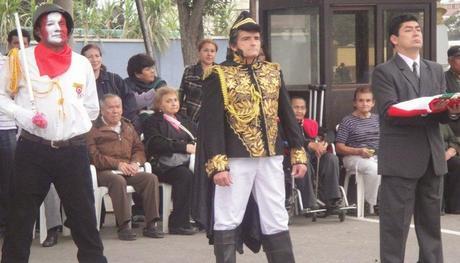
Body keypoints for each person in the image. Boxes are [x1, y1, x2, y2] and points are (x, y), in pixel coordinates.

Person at [194, 11, 308, 263]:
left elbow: (287, 115)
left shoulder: (272, 72)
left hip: (271, 156)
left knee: (276, 214)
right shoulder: (218, 75)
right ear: (234, 44)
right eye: (246, 38)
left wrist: (299, 153)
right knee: (228, 215)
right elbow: (211, 124)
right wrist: (218, 164)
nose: (253, 42)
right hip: (235, 157)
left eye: (256, 38)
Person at [0, 4, 107, 262]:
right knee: (20, 221)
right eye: (50, 24)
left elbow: (92, 107)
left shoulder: (82, 64)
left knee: (84, 221)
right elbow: (2, 96)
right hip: (32, 150)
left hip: (73, 151)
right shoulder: (20, 60)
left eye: (62, 24)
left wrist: (70, 122)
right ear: (38, 29)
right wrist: (24, 115)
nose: (58, 29)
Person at [372, 14, 460, 263]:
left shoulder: (434, 69)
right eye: (408, 29)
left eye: (418, 29)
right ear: (394, 39)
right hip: (401, 159)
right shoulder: (384, 71)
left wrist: (452, 112)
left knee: (431, 226)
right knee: (395, 227)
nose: (416, 33)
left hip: (433, 156)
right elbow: (389, 111)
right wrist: (427, 108)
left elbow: (443, 118)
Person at [87, 94, 164, 240]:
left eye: (118, 107)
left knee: (150, 179)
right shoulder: (93, 129)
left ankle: (151, 224)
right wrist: (117, 164)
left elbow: (139, 149)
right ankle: (124, 226)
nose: (115, 111)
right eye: (110, 107)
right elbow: (93, 156)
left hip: (128, 169)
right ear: (102, 110)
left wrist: (135, 163)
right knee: (117, 181)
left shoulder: (128, 126)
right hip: (104, 171)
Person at [143, 87, 197, 235]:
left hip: (186, 162)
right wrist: (183, 147)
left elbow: (198, 138)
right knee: (184, 176)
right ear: (160, 105)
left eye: (175, 100)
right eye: (168, 101)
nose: (174, 103)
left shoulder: (184, 120)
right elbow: (155, 143)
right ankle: (178, 223)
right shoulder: (152, 121)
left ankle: (200, 217)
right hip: (162, 165)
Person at [0, 28, 31, 239]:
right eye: (15, 44)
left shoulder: (31, 70)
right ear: (8, 45)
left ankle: (7, 223)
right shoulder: (3, 65)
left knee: (9, 178)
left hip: (11, 129)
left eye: (24, 45)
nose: (19, 49)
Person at [290, 96, 342, 210]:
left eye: (302, 108)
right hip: (294, 158)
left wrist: (325, 142)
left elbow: (330, 132)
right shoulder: (284, 123)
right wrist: (310, 144)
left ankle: (332, 199)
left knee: (331, 159)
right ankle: (309, 202)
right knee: (304, 161)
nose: (299, 111)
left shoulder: (310, 123)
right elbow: (289, 139)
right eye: (296, 107)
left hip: (315, 157)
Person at [335, 87, 380, 213]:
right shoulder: (348, 121)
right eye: (361, 100)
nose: (364, 103)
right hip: (353, 157)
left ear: (373, 103)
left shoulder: (378, 119)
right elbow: (339, 147)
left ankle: (388, 203)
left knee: (395, 167)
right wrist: (359, 151)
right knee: (374, 169)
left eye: (368, 100)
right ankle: (370, 203)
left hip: (376, 155)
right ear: (354, 103)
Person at [81, 44, 137, 125]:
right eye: (90, 57)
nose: (94, 59)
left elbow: (130, 100)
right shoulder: (78, 81)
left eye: (97, 56)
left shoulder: (114, 79)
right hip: (89, 127)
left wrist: (120, 120)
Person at [178, 39, 218, 124]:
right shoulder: (189, 70)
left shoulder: (221, 72)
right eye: (205, 50)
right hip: (190, 115)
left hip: (213, 118)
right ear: (199, 52)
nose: (209, 54)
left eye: (212, 51)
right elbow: (181, 93)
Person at [440, 124, 460, 214]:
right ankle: (439, 205)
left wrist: (451, 150)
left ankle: (453, 206)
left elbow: (454, 140)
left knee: (457, 164)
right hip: (430, 155)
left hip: (446, 155)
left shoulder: (443, 125)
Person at [445, 46, 460, 136]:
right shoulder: (442, 79)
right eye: (459, 58)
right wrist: (453, 114)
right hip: (454, 134)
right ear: (450, 61)